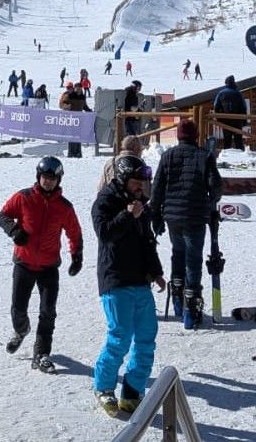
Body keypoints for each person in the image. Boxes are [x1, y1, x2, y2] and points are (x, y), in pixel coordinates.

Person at [91, 155, 166, 416]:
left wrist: (156, 272)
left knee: (146, 336)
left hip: (140, 279)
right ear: (123, 179)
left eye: (143, 182)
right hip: (115, 278)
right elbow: (105, 234)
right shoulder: (106, 201)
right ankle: (104, 387)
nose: (141, 186)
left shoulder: (141, 204)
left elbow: (147, 241)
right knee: (120, 336)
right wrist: (127, 215)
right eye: (137, 181)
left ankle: (133, 390)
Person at [0, 157, 83, 373]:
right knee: (18, 309)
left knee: (48, 312)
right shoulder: (24, 197)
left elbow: (74, 232)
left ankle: (42, 353)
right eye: (45, 178)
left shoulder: (64, 207)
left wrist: (76, 256)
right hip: (23, 264)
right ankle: (21, 329)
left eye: (52, 179)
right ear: (38, 177)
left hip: (48, 267)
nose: (48, 182)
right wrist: (14, 231)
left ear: (58, 180)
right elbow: (4, 215)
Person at [150, 119, 223, 328]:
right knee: (193, 259)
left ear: (178, 135)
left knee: (178, 254)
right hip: (196, 216)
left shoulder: (167, 156)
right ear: (196, 135)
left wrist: (156, 215)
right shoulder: (205, 156)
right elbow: (215, 186)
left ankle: (178, 302)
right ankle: (191, 308)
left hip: (173, 217)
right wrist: (210, 201)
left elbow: (157, 189)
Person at [213, 75, 247, 150]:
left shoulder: (221, 93)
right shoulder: (238, 93)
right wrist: (244, 121)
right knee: (238, 140)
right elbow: (244, 107)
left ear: (226, 83)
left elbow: (216, 106)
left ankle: (226, 157)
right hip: (238, 120)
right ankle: (241, 158)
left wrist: (219, 119)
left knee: (227, 140)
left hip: (225, 120)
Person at [61, 82, 91, 157]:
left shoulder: (82, 96)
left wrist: (90, 111)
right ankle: (71, 153)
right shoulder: (69, 95)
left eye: (79, 87)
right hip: (71, 118)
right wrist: (67, 106)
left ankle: (78, 153)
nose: (78, 89)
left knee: (78, 136)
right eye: (77, 87)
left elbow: (84, 106)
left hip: (79, 119)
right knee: (72, 136)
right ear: (74, 88)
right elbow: (61, 104)